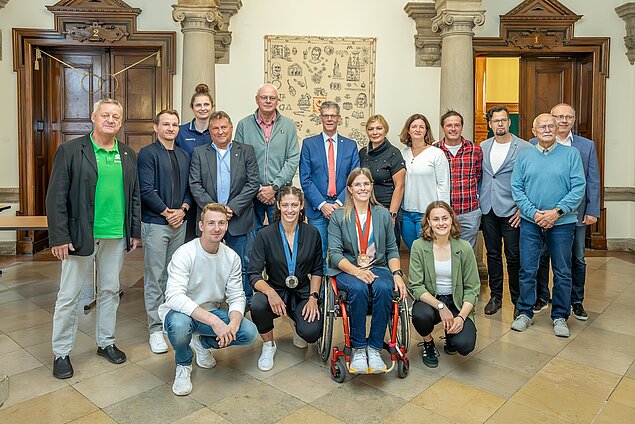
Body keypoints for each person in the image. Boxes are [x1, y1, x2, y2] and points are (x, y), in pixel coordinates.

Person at [46, 98, 141, 379]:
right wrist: (59, 237)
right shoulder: (71, 150)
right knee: (69, 295)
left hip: (115, 234)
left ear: (121, 122)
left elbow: (133, 196)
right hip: (79, 236)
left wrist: (133, 231)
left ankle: (106, 342)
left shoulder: (127, 154)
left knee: (110, 291)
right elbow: (56, 198)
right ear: (93, 117)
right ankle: (61, 352)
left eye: (116, 116)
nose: (111, 120)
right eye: (105, 115)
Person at [159, 203, 259, 396]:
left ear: (227, 226)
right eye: (211, 223)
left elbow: (237, 296)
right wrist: (215, 323)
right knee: (179, 326)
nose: (216, 228)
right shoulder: (185, 253)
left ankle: (202, 344)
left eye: (221, 223)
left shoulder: (231, 257)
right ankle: (183, 364)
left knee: (248, 333)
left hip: (210, 313)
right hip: (182, 314)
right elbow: (174, 296)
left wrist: (234, 324)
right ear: (201, 226)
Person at [510, 114, 585, 338]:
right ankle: (524, 312)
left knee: (562, 271)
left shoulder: (571, 155)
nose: (547, 129)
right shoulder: (524, 157)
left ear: (557, 129)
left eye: (551, 126)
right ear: (533, 131)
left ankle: (560, 315)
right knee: (528, 269)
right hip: (531, 223)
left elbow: (578, 188)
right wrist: (534, 213)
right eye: (542, 126)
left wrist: (556, 212)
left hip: (562, 223)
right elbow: (517, 188)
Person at [327, 167, 407, 374]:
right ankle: (359, 349)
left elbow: (391, 249)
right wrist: (356, 271)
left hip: (378, 267)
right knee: (359, 288)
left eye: (366, 184)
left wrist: (397, 275)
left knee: (383, 287)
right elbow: (334, 254)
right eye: (357, 184)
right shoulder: (339, 216)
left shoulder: (382, 214)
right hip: (348, 270)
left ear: (371, 187)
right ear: (350, 189)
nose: (362, 188)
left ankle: (374, 347)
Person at [533, 103, 601, 320]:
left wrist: (592, 210)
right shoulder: (533, 144)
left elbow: (592, 180)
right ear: (550, 119)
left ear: (573, 120)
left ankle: (576, 301)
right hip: (542, 214)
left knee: (577, 258)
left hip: (575, 213)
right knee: (542, 257)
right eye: (558, 117)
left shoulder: (585, 146)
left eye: (567, 117)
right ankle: (542, 296)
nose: (563, 121)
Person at [249, 186, 323, 371]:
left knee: (311, 333)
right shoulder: (265, 235)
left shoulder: (312, 233)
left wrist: (313, 298)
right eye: (286, 205)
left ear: (301, 206)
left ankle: (296, 320)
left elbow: (317, 269)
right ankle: (268, 345)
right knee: (257, 304)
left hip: (303, 292)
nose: (290, 210)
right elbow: (254, 274)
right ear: (279, 206)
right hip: (275, 288)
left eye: (294, 205)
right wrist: (270, 292)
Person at [189, 111, 259, 303]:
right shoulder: (199, 153)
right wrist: (215, 211)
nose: (220, 132)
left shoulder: (246, 151)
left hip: (239, 218)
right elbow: (195, 184)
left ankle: (242, 304)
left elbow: (253, 183)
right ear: (210, 131)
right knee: (207, 264)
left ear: (231, 128)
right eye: (215, 128)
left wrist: (232, 208)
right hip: (211, 221)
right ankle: (208, 305)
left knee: (242, 265)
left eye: (224, 127)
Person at [138, 109, 192, 354]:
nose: (171, 128)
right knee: (155, 277)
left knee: (175, 276)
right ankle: (155, 328)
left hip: (179, 223)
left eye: (175, 125)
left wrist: (182, 209)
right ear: (156, 127)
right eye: (166, 124)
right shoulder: (147, 154)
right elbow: (146, 190)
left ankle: (172, 322)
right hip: (156, 224)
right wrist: (167, 212)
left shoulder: (183, 154)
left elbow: (190, 188)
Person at [409, 201, 479, 368]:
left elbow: (472, 288)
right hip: (431, 301)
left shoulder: (464, 247)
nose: (441, 223)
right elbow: (416, 286)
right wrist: (441, 306)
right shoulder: (418, 246)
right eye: (436, 219)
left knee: (465, 345)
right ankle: (428, 342)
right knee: (420, 315)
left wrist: (461, 317)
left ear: (451, 220)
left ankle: (451, 336)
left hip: (457, 302)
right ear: (428, 222)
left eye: (445, 218)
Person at [479, 106, 532, 316]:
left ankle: (518, 300)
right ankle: (496, 296)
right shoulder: (482, 147)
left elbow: (530, 181)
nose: (500, 124)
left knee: (513, 256)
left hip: (512, 211)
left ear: (509, 122)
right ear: (490, 124)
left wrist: (522, 208)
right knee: (492, 254)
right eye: (495, 121)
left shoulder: (525, 148)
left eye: (503, 120)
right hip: (488, 209)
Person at [301, 101, 360, 266]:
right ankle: (319, 291)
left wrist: (339, 203)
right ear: (320, 118)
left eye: (333, 115)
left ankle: (339, 290)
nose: (329, 119)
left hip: (344, 208)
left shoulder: (350, 145)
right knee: (318, 254)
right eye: (325, 115)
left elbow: (354, 178)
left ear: (339, 118)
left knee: (343, 253)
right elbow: (305, 178)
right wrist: (322, 204)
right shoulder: (309, 144)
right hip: (317, 209)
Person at [235, 83, 300, 229]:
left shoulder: (288, 126)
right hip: (250, 194)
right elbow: (238, 160)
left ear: (277, 101)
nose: (268, 101)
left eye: (272, 98)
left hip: (279, 194)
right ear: (257, 100)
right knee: (252, 242)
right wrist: (257, 188)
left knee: (280, 238)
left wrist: (274, 187)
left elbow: (293, 158)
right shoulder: (244, 125)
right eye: (264, 97)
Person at [399, 113, 449, 250]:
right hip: (406, 213)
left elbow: (443, 185)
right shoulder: (403, 154)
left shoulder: (436, 153)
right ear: (408, 130)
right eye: (414, 126)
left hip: (427, 213)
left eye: (422, 126)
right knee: (413, 250)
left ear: (426, 130)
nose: (418, 129)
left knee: (428, 251)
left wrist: (442, 213)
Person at [435, 110, 483, 249]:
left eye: (457, 125)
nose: (453, 129)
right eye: (449, 125)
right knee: (443, 253)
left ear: (462, 127)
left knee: (466, 254)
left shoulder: (475, 150)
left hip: (469, 212)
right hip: (443, 213)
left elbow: (478, 176)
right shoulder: (434, 150)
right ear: (443, 127)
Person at [176, 83, 215, 242]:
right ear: (192, 108)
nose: (202, 108)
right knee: (187, 240)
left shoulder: (217, 131)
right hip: (186, 193)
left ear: (212, 106)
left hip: (208, 193)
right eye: (198, 105)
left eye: (206, 104)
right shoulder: (181, 132)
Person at [359, 114, 406, 245]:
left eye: (379, 128)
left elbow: (400, 186)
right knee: (367, 249)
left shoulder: (394, 153)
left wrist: (392, 215)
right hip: (366, 208)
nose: (375, 132)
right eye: (371, 129)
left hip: (387, 209)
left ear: (385, 130)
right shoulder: (363, 153)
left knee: (387, 249)